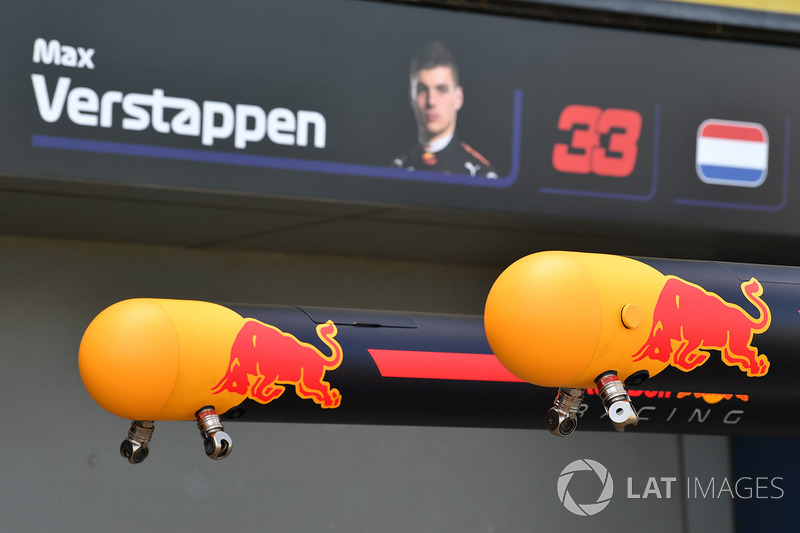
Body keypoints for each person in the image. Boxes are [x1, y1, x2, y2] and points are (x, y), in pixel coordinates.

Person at [392, 41, 498, 178]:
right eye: (422, 90)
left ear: (458, 98)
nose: (431, 101)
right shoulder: (396, 169)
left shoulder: (481, 175)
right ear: (410, 97)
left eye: (441, 90)